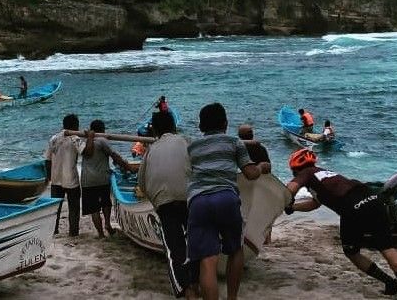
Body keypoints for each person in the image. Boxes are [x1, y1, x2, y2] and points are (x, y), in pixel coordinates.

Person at [285, 148, 397, 300]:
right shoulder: (324, 174)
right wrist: (293, 207)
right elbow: (314, 204)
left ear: (297, 169)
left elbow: (290, 190)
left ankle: (390, 282)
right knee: (387, 247)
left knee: (352, 252)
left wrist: (283, 200)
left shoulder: (307, 172)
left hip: (352, 207)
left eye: (293, 173)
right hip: (372, 198)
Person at [186, 103, 270, 300]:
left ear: (200, 127)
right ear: (225, 123)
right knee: (235, 250)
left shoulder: (192, 147)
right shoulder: (234, 142)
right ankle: (232, 297)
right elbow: (249, 174)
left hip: (198, 202)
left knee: (207, 261)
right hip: (225, 198)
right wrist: (262, 167)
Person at [138, 111, 198, 299]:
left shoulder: (150, 150)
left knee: (174, 249)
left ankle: (186, 289)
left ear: (154, 130)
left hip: (164, 201)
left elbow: (142, 183)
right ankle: (196, 283)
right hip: (190, 197)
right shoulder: (186, 140)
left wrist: (155, 202)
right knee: (194, 242)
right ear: (174, 127)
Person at [82, 119, 139, 239]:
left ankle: (101, 234)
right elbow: (114, 155)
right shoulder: (102, 140)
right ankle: (107, 224)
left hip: (88, 180)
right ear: (103, 130)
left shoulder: (86, 141)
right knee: (105, 203)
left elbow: (87, 153)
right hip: (102, 178)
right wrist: (129, 167)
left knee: (94, 209)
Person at [45, 114, 85, 236]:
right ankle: (73, 232)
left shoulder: (54, 138)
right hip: (71, 179)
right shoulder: (76, 139)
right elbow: (85, 152)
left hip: (56, 178)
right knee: (74, 207)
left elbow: (47, 159)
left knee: (55, 208)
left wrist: (49, 177)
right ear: (75, 126)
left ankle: (54, 229)